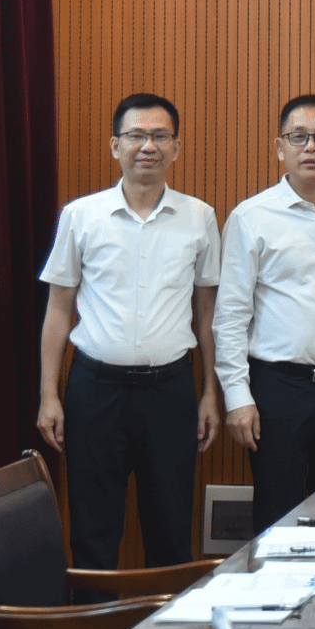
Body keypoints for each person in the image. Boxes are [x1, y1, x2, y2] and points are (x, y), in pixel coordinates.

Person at [36, 93, 220, 572]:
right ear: (115, 145)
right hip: (95, 391)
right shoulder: (81, 215)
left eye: (160, 136)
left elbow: (207, 313)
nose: (148, 146)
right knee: (92, 535)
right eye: (136, 135)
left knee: (171, 533)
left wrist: (209, 392)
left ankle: (168, 625)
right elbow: (58, 309)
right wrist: (49, 396)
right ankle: (95, 625)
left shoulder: (199, 217)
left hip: (171, 391)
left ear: (176, 148)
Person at [215, 95, 315, 533]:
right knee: (277, 518)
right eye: (299, 137)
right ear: (279, 147)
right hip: (277, 390)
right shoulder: (250, 217)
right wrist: (237, 397)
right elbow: (230, 316)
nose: (310, 147)